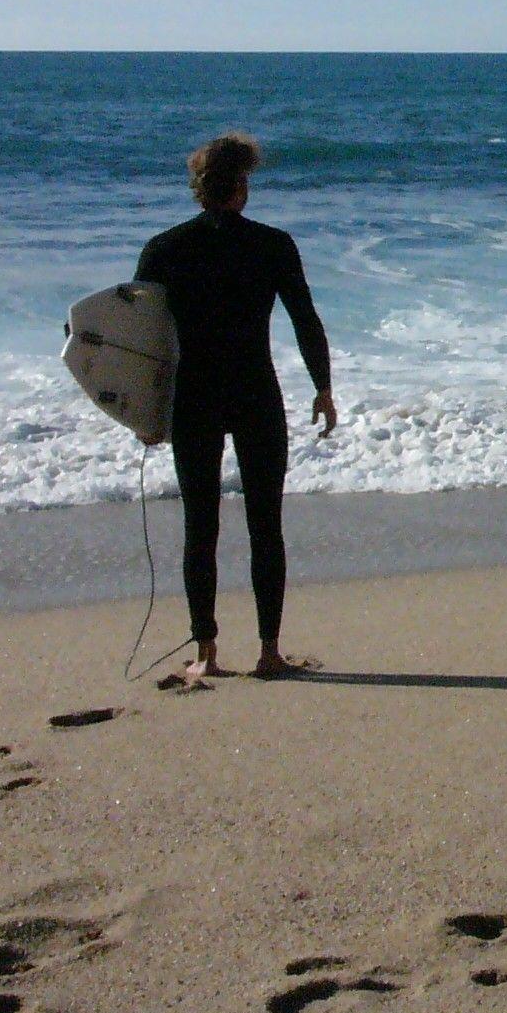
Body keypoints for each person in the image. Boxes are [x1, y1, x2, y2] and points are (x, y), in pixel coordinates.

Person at [136, 132, 337, 680]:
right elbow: (304, 320)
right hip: (254, 393)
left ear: (197, 190)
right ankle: (269, 653)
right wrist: (322, 386)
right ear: (242, 187)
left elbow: (141, 340)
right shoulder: (272, 244)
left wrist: (143, 412)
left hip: (193, 399)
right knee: (264, 525)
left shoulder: (163, 248)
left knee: (200, 527)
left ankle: (206, 653)